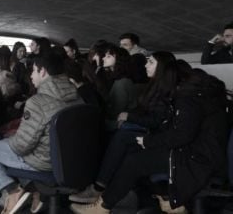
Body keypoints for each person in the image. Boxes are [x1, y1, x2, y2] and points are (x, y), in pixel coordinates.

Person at [70, 63, 228, 214]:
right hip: (201, 153)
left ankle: (103, 207)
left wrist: (148, 141)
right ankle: (165, 201)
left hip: (196, 158)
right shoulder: (202, 96)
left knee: (135, 161)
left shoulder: (188, 99)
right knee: (135, 154)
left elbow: (181, 136)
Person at [0, 48, 81, 214]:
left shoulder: (38, 102)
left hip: (44, 164)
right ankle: (35, 191)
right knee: (4, 143)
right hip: (71, 163)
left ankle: (12, 191)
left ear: (43, 71)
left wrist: (12, 138)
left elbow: (21, 147)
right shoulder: (77, 97)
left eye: (33, 71)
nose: (31, 76)